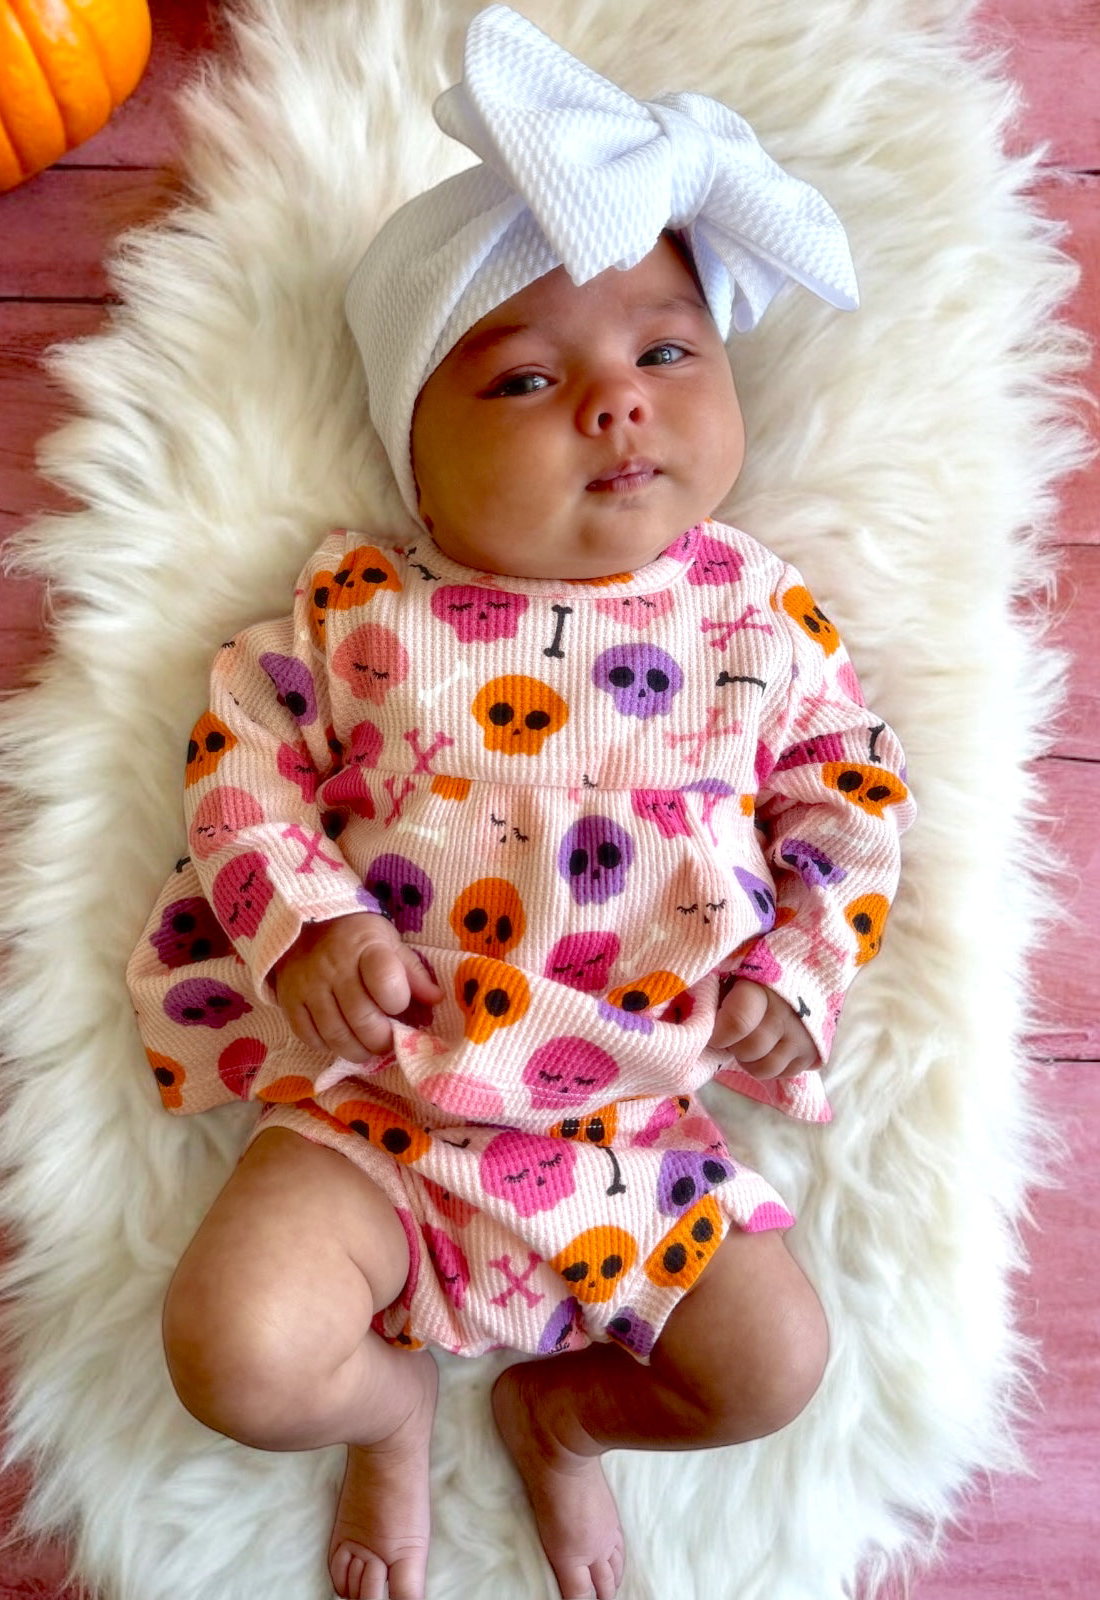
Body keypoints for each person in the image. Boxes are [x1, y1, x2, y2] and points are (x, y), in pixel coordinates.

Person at [125, 8, 914, 1598]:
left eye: (666, 353)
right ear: (418, 464)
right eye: (529, 377)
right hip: (385, 1110)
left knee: (774, 1368)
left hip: (637, 1119)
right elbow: (241, 766)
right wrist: (311, 928)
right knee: (237, 1352)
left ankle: (564, 1420)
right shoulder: (365, 613)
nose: (617, 404)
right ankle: (386, 1402)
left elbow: (853, 800)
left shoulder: (764, 618)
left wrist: (796, 973)